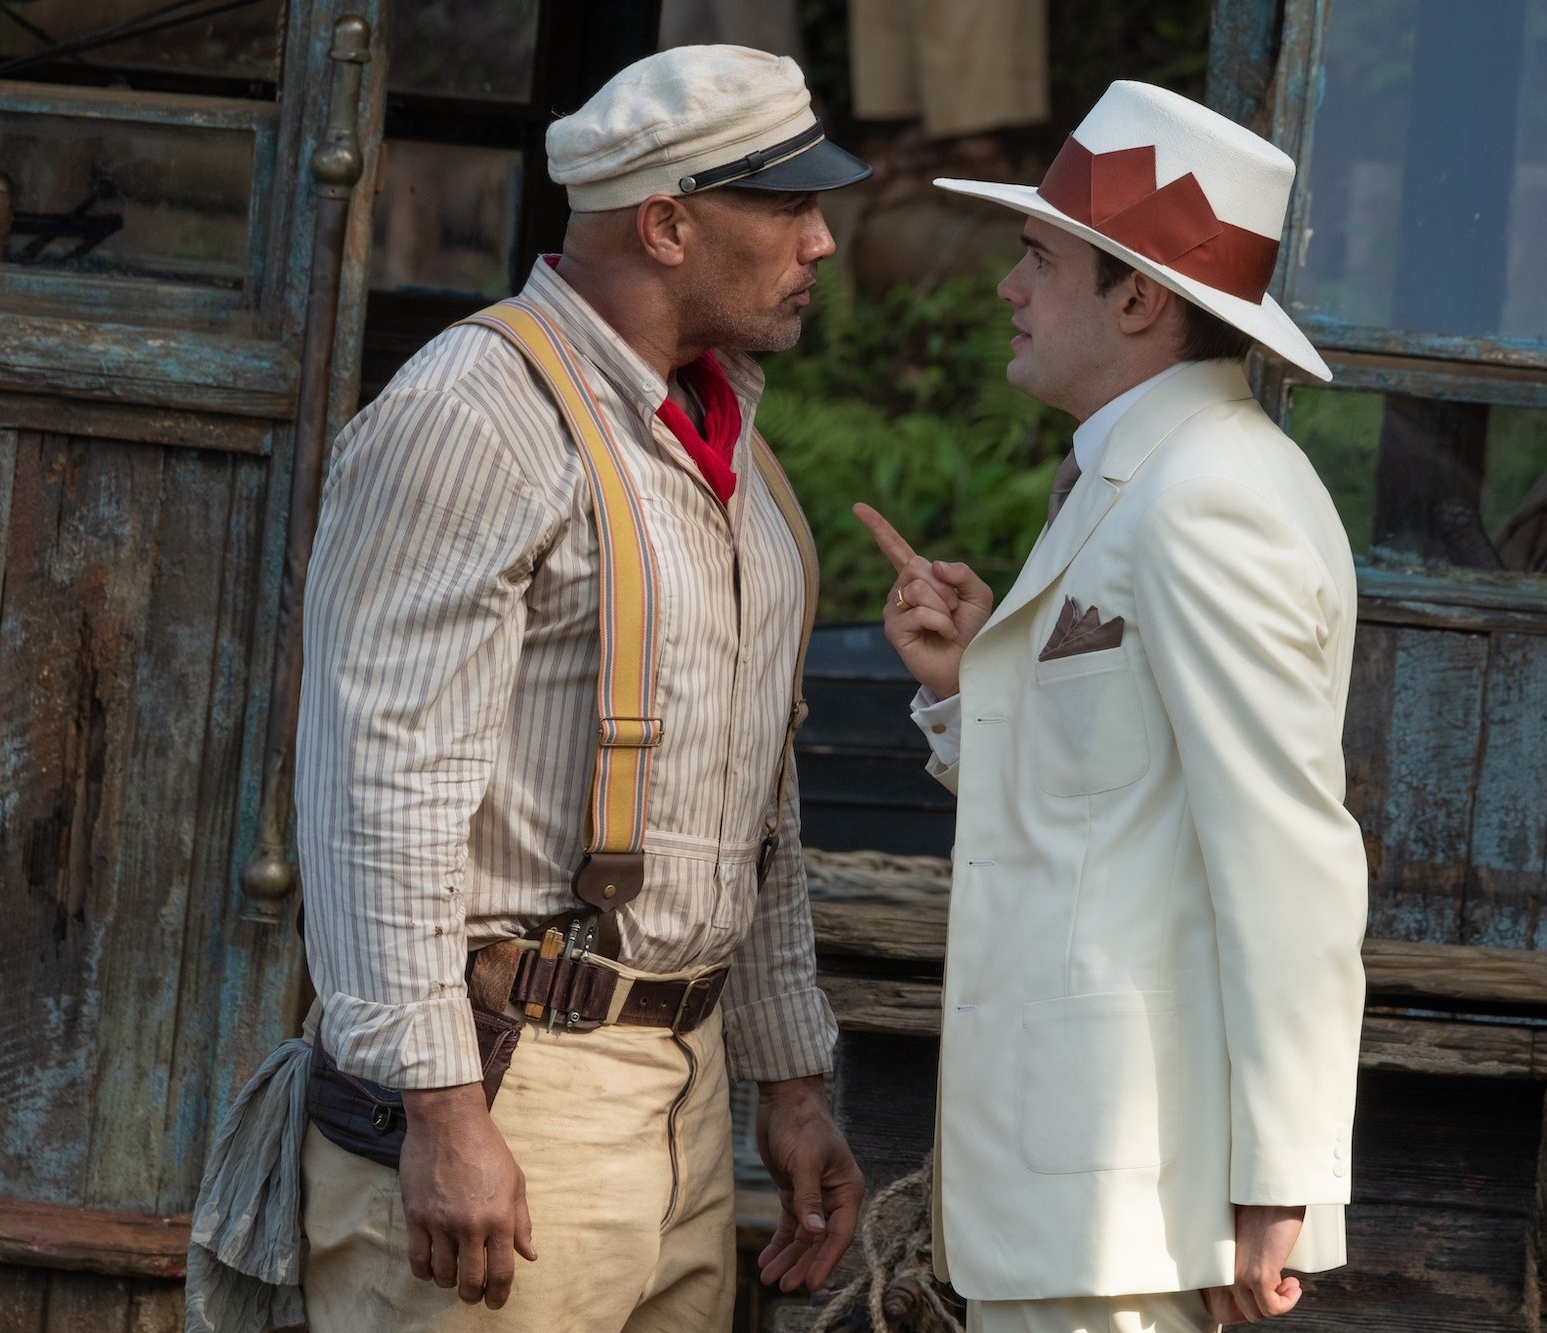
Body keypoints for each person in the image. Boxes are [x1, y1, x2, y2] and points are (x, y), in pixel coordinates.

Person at [294, 46, 868, 1331]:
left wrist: (786, 1076)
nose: (821, 242)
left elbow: (749, 800)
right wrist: (441, 1113)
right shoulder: (473, 412)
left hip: (683, 1096)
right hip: (508, 1092)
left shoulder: (720, 434)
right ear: (665, 223)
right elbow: (375, 782)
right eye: (786, 208)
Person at [855, 80, 1369, 1331]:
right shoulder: (1137, 475)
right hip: (1077, 1199)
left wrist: (1279, 1182)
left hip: (1130, 1203)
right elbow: (1107, 805)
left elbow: (1287, 853)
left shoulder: (1206, 496)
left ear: (1137, 298)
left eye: (1037, 255)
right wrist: (965, 684)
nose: (1004, 287)